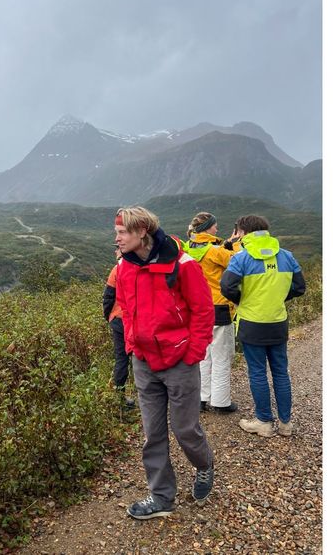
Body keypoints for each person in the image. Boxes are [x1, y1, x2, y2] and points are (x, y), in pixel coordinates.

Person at [114, 206, 215, 519]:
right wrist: (132, 344)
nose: (116, 238)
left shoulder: (183, 266)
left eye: (122, 232)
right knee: (152, 433)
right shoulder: (124, 267)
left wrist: (193, 352)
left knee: (185, 429)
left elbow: (203, 311)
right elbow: (126, 308)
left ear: (142, 231)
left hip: (179, 362)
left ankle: (205, 465)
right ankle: (161, 497)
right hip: (144, 362)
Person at [220, 215, 305, 438]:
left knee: (257, 372)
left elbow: (227, 287)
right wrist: (276, 299)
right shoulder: (287, 256)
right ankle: (286, 424)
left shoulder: (241, 258)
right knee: (280, 372)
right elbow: (299, 287)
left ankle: (264, 422)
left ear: (242, 233)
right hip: (278, 321)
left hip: (251, 322)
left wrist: (243, 299)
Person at [183, 211, 239, 414]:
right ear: (208, 228)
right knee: (222, 357)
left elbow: (209, 251)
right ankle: (221, 402)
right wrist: (237, 243)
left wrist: (224, 243)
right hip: (219, 307)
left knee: (203, 355)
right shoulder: (216, 252)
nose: (217, 228)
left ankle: (201, 398)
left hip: (197, 309)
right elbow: (236, 261)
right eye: (214, 226)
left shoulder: (189, 248)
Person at [102, 249, 135, 411]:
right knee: (140, 358)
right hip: (137, 320)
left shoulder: (117, 269)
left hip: (119, 320)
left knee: (121, 359)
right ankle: (148, 396)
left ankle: (120, 398)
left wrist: (108, 316)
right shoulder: (141, 266)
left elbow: (108, 297)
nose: (115, 250)